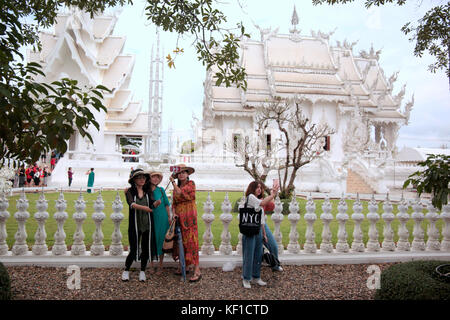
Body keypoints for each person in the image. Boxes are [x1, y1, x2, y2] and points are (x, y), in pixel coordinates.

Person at [122, 169, 161, 282]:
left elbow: (152, 204)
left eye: (144, 178)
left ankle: (143, 271)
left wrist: (156, 203)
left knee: (145, 248)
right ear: (134, 179)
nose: (142, 180)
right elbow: (132, 204)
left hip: (147, 224)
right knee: (133, 249)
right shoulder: (130, 191)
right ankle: (126, 270)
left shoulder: (147, 191)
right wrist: (144, 208)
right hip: (135, 224)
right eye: (139, 178)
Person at [240, 180, 278, 289]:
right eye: (257, 187)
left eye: (260, 187)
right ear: (252, 188)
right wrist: (272, 194)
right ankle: (246, 278)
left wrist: (264, 234)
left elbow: (261, 221)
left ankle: (256, 277)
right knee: (249, 255)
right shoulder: (251, 197)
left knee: (258, 255)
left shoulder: (258, 200)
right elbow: (262, 203)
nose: (259, 189)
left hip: (258, 231)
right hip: (249, 231)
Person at [169, 164, 201, 282]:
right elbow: (174, 203)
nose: (181, 174)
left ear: (188, 174)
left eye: (184, 172)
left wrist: (173, 183)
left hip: (189, 217)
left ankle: (197, 269)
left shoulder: (191, 184)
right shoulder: (176, 187)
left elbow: (181, 193)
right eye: (179, 173)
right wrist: (174, 213)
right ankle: (186, 265)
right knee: (182, 242)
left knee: (192, 242)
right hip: (180, 218)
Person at [148, 171, 171, 274]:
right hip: (151, 217)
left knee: (162, 241)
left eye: (158, 177)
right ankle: (151, 265)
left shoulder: (161, 190)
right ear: (150, 178)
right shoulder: (146, 191)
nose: (156, 179)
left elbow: (166, 204)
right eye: (154, 177)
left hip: (162, 218)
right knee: (151, 240)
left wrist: (169, 217)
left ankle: (161, 265)